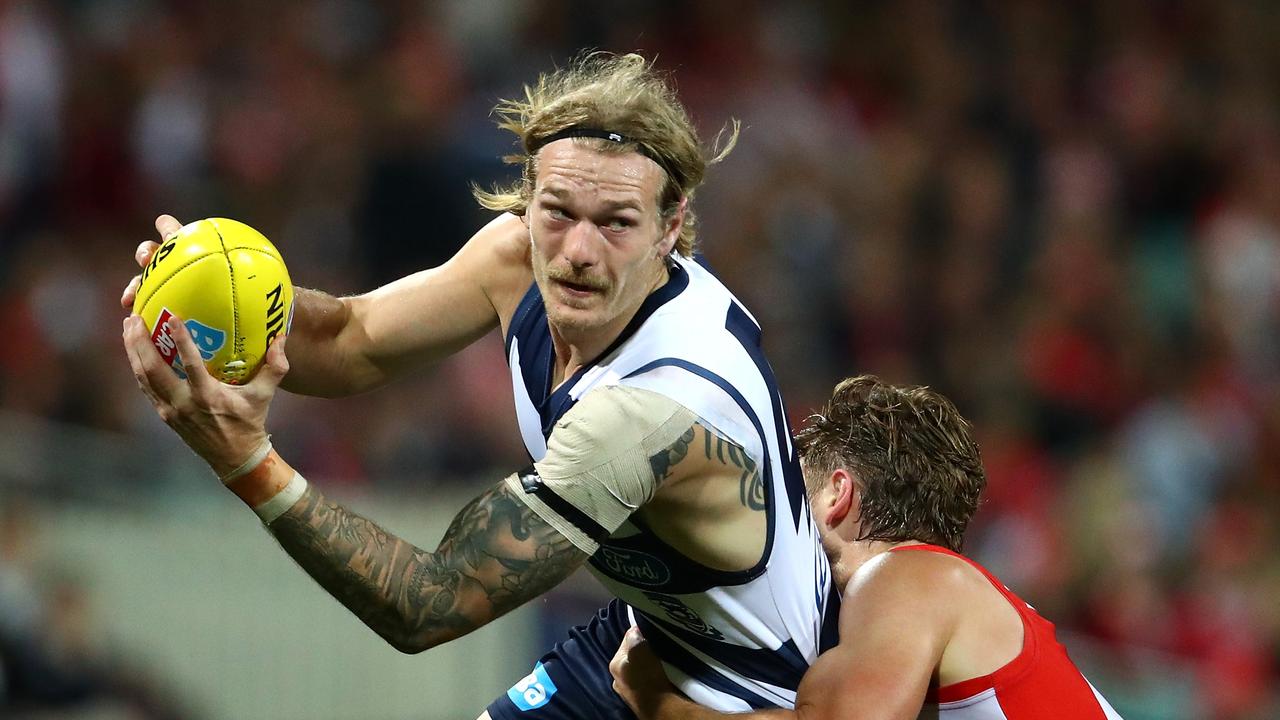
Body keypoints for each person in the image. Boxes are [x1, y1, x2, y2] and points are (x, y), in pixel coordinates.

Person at [121, 52, 837, 720]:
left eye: (617, 223)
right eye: (557, 212)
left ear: (670, 226)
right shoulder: (515, 256)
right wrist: (222, 296)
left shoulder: (651, 412)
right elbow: (349, 340)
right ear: (529, 198)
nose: (579, 252)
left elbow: (427, 604)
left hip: (749, 696)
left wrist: (246, 461)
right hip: (644, 634)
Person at [609, 375, 1125, 720]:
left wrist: (661, 705)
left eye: (796, 493)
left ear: (837, 493)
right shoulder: (939, 601)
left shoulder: (908, 577)